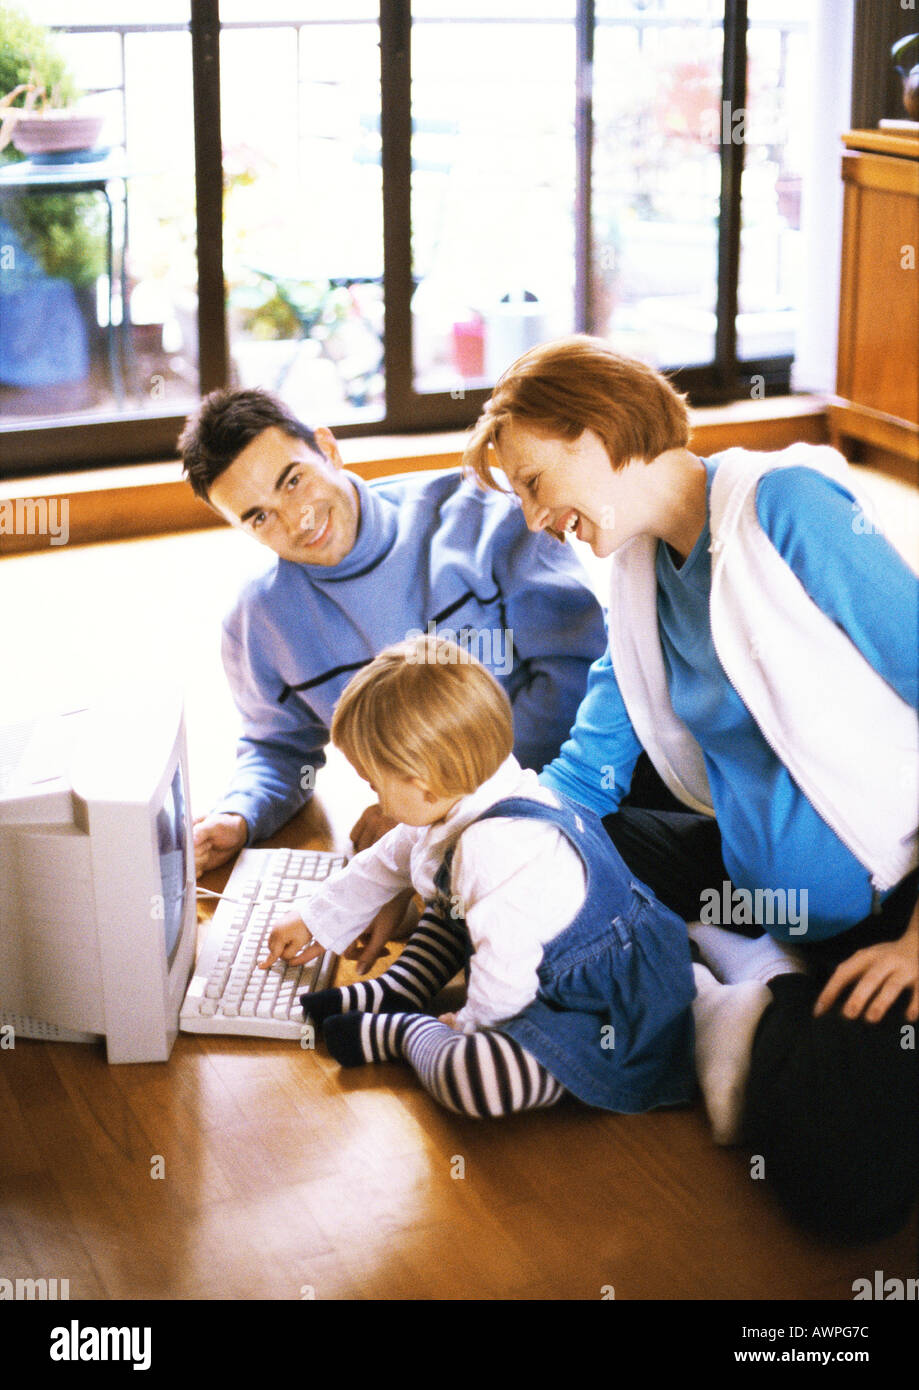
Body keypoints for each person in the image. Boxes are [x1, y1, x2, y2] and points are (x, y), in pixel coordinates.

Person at [462, 334, 919, 1242]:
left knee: (843, 1195)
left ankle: (730, 998)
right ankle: (747, 979)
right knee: (565, 850)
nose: (530, 513)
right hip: (754, 884)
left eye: (532, 480)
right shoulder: (635, 567)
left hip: (888, 902)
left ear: (594, 432)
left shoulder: (784, 506)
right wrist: (466, 838)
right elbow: (587, 773)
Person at [178, 388, 607, 960]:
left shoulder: (487, 514)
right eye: (260, 516)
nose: (296, 520)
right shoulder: (258, 622)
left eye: (292, 480)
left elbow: (578, 681)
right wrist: (239, 814)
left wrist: (435, 799)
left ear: (327, 448)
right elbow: (277, 747)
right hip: (427, 837)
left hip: (563, 800)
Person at [258, 635, 697, 1120]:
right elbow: (386, 862)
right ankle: (400, 987)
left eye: (373, 783)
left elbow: (505, 975)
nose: (376, 800)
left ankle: (405, 1032)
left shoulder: (498, 847)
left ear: (421, 784)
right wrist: (315, 918)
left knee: (475, 1079)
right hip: (535, 958)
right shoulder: (472, 793)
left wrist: (468, 1025)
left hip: (608, 1006)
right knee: (451, 903)